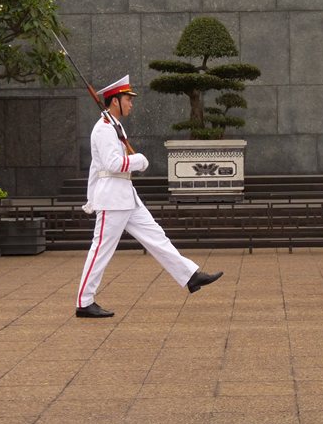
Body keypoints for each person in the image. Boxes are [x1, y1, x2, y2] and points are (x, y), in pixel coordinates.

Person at [76, 75, 222, 318]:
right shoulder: (103, 129)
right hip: (112, 198)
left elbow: (99, 167)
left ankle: (190, 275)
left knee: (157, 237)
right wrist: (139, 160)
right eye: (127, 99)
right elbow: (112, 164)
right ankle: (84, 302)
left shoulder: (114, 125)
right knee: (101, 250)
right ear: (114, 102)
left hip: (125, 196)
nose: (131, 104)